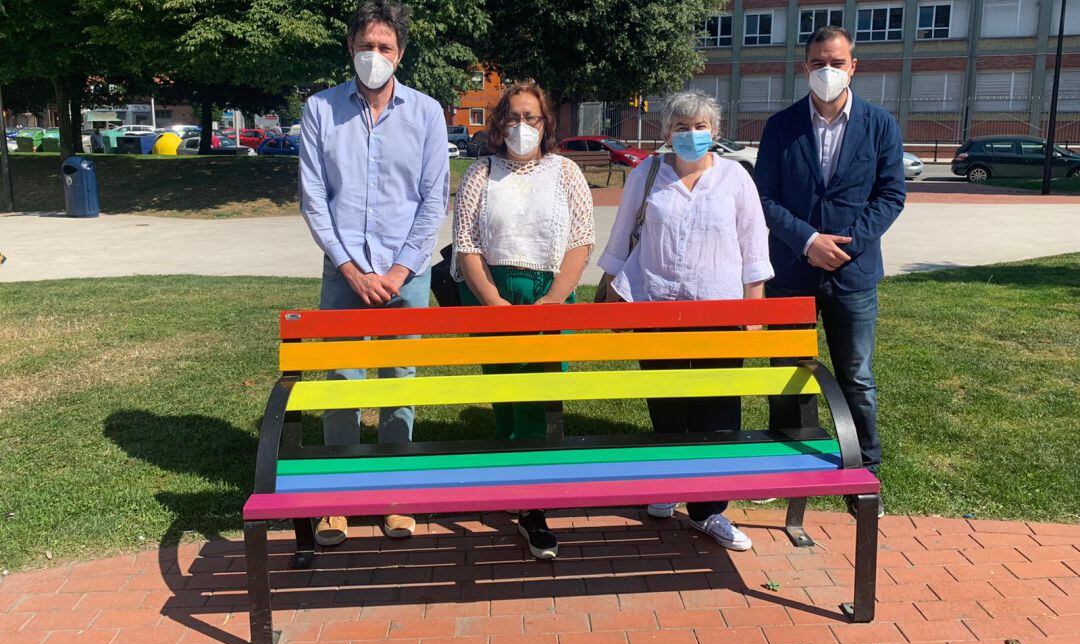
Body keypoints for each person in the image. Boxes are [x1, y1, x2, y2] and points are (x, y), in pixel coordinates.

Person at [298, 0, 450, 545]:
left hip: (405, 274)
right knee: (342, 378)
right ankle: (336, 497)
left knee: (399, 377)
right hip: (343, 272)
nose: (375, 56)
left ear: (400, 54)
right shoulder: (319, 110)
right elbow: (314, 198)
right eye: (366, 46)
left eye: (385, 47)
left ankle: (394, 492)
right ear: (350, 49)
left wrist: (399, 269)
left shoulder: (428, 113)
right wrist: (353, 270)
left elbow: (433, 201)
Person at [598, 89, 773, 552]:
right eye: (681, 127)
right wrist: (612, 288)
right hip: (657, 306)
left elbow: (754, 244)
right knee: (669, 405)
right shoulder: (647, 173)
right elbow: (622, 236)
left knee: (716, 411)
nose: (691, 135)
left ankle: (708, 510)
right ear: (666, 133)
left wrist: (753, 306)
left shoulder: (735, 178)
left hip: (718, 311)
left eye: (700, 127)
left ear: (714, 132)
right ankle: (670, 485)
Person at [753, 26, 905, 518]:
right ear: (805, 67)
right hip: (791, 271)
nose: (827, 71)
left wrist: (848, 244)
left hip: (853, 275)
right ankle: (789, 464)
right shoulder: (780, 126)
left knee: (856, 376)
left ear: (853, 66)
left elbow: (890, 194)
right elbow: (766, 197)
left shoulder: (880, 125)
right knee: (787, 373)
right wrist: (807, 240)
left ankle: (863, 472)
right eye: (818, 62)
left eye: (836, 62)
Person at [452, 80, 595, 560]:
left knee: (542, 396)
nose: (521, 126)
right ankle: (514, 489)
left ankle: (536, 504)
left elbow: (580, 240)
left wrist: (554, 299)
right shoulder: (480, 173)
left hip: (549, 294)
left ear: (545, 123)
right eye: (512, 117)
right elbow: (467, 242)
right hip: (494, 294)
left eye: (531, 117)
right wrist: (493, 302)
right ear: (499, 123)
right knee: (506, 397)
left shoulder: (566, 172)